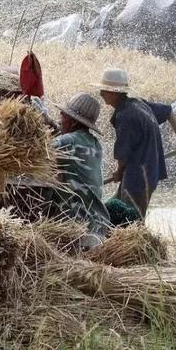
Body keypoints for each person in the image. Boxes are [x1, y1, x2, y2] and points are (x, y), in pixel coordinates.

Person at [92, 68, 176, 226]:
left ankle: (134, 248)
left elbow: (123, 155)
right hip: (148, 172)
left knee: (131, 222)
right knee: (116, 211)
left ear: (116, 92)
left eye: (105, 90)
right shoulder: (139, 104)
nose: (101, 93)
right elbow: (168, 111)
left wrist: (118, 172)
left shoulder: (125, 117)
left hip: (138, 177)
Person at [49, 93, 111, 247]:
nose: (60, 118)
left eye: (63, 115)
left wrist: (46, 123)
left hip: (78, 228)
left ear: (74, 122)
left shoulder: (68, 142)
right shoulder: (95, 144)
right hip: (98, 224)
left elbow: (40, 149)